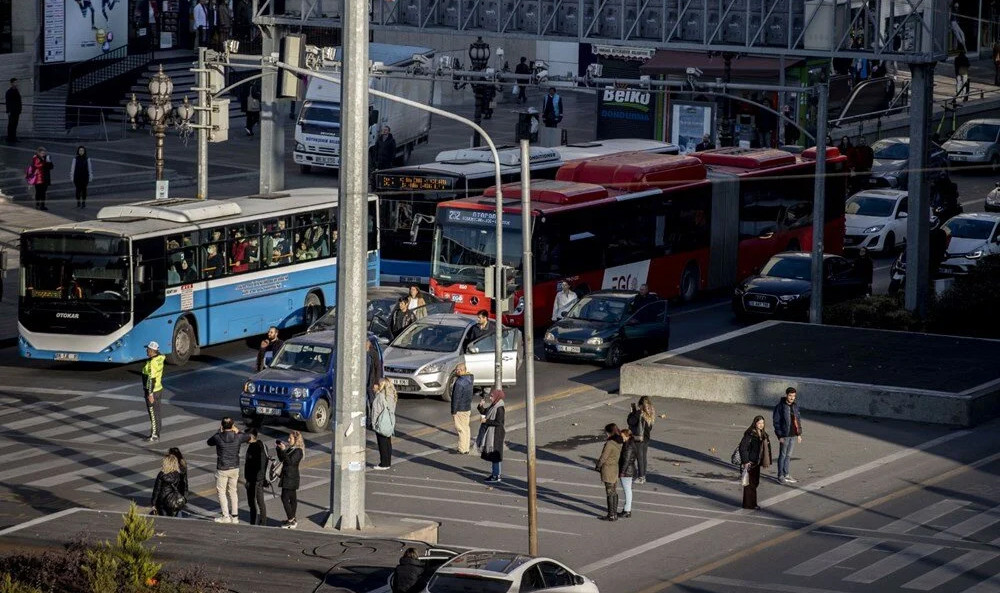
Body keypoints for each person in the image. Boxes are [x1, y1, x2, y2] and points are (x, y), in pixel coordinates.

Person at [206, 417, 251, 523]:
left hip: (222, 468)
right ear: (232, 425)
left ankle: (225, 516)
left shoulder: (218, 437)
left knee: (221, 492)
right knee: (233, 491)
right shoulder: (238, 437)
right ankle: (235, 517)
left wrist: (218, 431)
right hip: (234, 467)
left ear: (222, 426)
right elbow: (248, 437)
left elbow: (209, 442)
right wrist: (238, 430)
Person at [738, 415, 773, 510]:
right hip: (750, 462)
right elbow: (743, 448)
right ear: (755, 423)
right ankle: (749, 504)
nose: (761, 425)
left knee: (755, 483)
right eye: (759, 423)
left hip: (757, 462)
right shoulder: (750, 434)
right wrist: (745, 461)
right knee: (750, 484)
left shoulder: (763, 434)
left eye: (762, 423)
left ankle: (751, 503)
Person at [772, 387, 803, 485]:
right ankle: (780, 476)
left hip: (793, 435)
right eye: (790, 395)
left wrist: (799, 434)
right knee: (783, 455)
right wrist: (779, 436)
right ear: (786, 395)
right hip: (784, 435)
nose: (792, 398)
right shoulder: (780, 407)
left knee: (788, 456)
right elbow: (776, 422)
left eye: (794, 396)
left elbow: (797, 420)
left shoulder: (795, 406)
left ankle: (786, 474)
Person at [476, 388, 506, 482]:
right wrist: (480, 406)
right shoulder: (494, 405)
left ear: (497, 397)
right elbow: (485, 412)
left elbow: (499, 422)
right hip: (492, 433)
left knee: (495, 455)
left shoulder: (499, 408)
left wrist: (486, 421)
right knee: (494, 455)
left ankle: (496, 475)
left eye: (492, 396)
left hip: (496, 434)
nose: (490, 397)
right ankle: (495, 474)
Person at [276, 430, 304, 528]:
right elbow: (282, 459)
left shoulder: (298, 451)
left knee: (284, 498)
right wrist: (279, 449)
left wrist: (284, 451)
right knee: (292, 498)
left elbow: (290, 462)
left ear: (296, 440)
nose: (288, 440)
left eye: (290, 438)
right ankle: (292, 518)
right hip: (287, 476)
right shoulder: (291, 449)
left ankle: (291, 519)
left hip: (291, 478)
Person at [596, 423, 622, 521]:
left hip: (608, 469)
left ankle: (611, 515)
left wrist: (598, 466)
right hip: (615, 468)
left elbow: (604, 457)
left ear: (609, 432)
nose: (606, 434)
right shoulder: (619, 441)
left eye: (606, 432)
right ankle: (614, 513)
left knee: (609, 492)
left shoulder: (610, 443)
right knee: (614, 492)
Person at [370, 378, 397, 470]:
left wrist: (373, 424)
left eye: (376, 384)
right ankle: (387, 462)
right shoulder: (391, 395)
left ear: (380, 385)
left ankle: (384, 464)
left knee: (382, 443)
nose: (374, 386)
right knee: (388, 442)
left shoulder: (380, 396)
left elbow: (376, 412)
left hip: (381, 422)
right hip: (389, 421)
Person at [626, 396, 655, 484]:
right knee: (643, 458)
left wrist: (632, 413)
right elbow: (649, 427)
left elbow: (630, 422)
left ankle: (641, 477)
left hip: (639, 439)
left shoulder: (639, 413)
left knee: (639, 458)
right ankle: (643, 475)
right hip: (646, 438)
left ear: (640, 405)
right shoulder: (650, 412)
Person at [141, 341, 165, 443]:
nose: (146, 350)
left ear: (152, 351)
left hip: (153, 391)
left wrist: (150, 394)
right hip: (158, 389)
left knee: (152, 413)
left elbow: (152, 379)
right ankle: (157, 431)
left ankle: (154, 435)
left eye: (148, 349)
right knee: (157, 412)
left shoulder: (152, 363)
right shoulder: (159, 359)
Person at [151, 452, 187, 517]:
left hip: (163, 501)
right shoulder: (179, 474)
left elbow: (157, 490)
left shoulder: (161, 475)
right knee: (178, 518)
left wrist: (153, 503)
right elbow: (183, 488)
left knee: (165, 520)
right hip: (176, 500)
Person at [244, 428, 267, 525]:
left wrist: (250, 480)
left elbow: (255, 464)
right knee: (260, 501)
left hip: (254, 479)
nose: (244, 438)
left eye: (246, 436)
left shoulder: (254, 447)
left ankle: (254, 522)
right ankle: (262, 522)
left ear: (251, 437)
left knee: (252, 502)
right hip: (259, 478)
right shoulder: (262, 445)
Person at [451, 363, 474, 455]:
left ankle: (462, 449)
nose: (456, 372)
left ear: (462, 370)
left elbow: (456, 398)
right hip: (467, 407)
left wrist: (454, 411)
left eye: (457, 370)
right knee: (466, 428)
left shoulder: (459, 382)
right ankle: (466, 447)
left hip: (460, 409)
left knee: (460, 429)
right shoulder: (470, 378)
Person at [618, 428, 638, 519]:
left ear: (628, 436)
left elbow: (626, 460)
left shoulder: (628, 446)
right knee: (628, 491)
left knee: (627, 491)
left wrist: (622, 472)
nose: (622, 438)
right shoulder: (631, 444)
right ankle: (627, 510)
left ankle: (627, 510)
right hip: (630, 470)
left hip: (627, 472)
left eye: (623, 436)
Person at [5, 78, 21, 143]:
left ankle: (13, 137)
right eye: (15, 82)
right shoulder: (9, 92)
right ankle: (10, 138)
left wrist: (20, 109)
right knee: (11, 124)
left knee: (15, 124)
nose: (16, 84)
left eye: (17, 82)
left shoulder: (17, 91)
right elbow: (8, 102)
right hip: (11, 111)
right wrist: (8, 111)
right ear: (11, 83)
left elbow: (19, 101)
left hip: (17, 111)